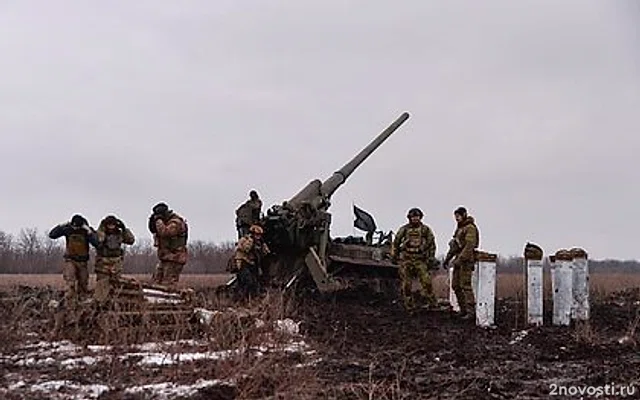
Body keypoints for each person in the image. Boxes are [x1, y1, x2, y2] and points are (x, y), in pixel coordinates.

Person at [390, 208, 438, 310]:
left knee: (427, 283)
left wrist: (431, 258)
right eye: (413, 217)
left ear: (420, 217)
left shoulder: (425, 230)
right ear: (409, 218)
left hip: (420, 260)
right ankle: (409, 306)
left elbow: (432, 244)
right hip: (407, 260)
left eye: (417, 217)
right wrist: (394, 256)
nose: (415, 219)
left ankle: (433, 305)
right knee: (406, 285)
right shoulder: (404, 229)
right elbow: (396, 242)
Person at [48, 214, 98, 307]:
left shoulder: (86, 231)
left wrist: (89, 232)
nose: (75, 228)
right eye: (74, 226)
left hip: (83, 262)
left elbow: (96, 243)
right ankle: (69, 304)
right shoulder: (68, 229)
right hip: (70, 260)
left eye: (77, 227)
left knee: (83, 283)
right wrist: (61, 225)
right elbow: (52, 235)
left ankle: (82, 303)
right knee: (70, 282)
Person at [443, 206, 480, 319]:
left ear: (464, 215)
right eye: (455, 216)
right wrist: (447, 259)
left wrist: (460, 259)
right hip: (458, 260)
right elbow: (454, 246)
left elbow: (469, 245)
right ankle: (463, 310)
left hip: (466, 260)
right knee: (455, 286)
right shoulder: (459, 229)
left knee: (465, 286)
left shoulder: (470, 228)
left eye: (458, 216)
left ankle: (471, 312)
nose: (456, 218)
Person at [93, 215, 135, 302]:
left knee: (117, 283)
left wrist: (124, 229)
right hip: (103, 262)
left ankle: (115, 301)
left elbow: (131, 240)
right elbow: (98, 240)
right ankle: (100, 303)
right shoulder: (101, 233)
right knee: (102, 284)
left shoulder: (119, 233)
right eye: (109, 225)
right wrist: (102, 228)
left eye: (113, 225)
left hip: (116, 262)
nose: (111, 227)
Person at [148, 202, 188, 289]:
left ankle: (173, 301)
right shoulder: (165, 222)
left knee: (168, 285)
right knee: (155, 283)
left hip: (175, 258)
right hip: (165, 258)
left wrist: (158, 220)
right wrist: (153, 221)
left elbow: (165, 232)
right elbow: (154, 230)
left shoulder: (176, 222)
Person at [231, 224, 270, 300]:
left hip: (252, 264)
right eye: (257, 235)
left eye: (260, 235)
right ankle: (242, 299)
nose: (258, 237)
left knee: (255, 283)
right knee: (248, 282)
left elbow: (266, 253)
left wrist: (263, 245)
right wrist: (251, 241)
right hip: (243, 263)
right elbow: (246, 249)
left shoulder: (259, 242)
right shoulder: (245, 240)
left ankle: (251, 299)